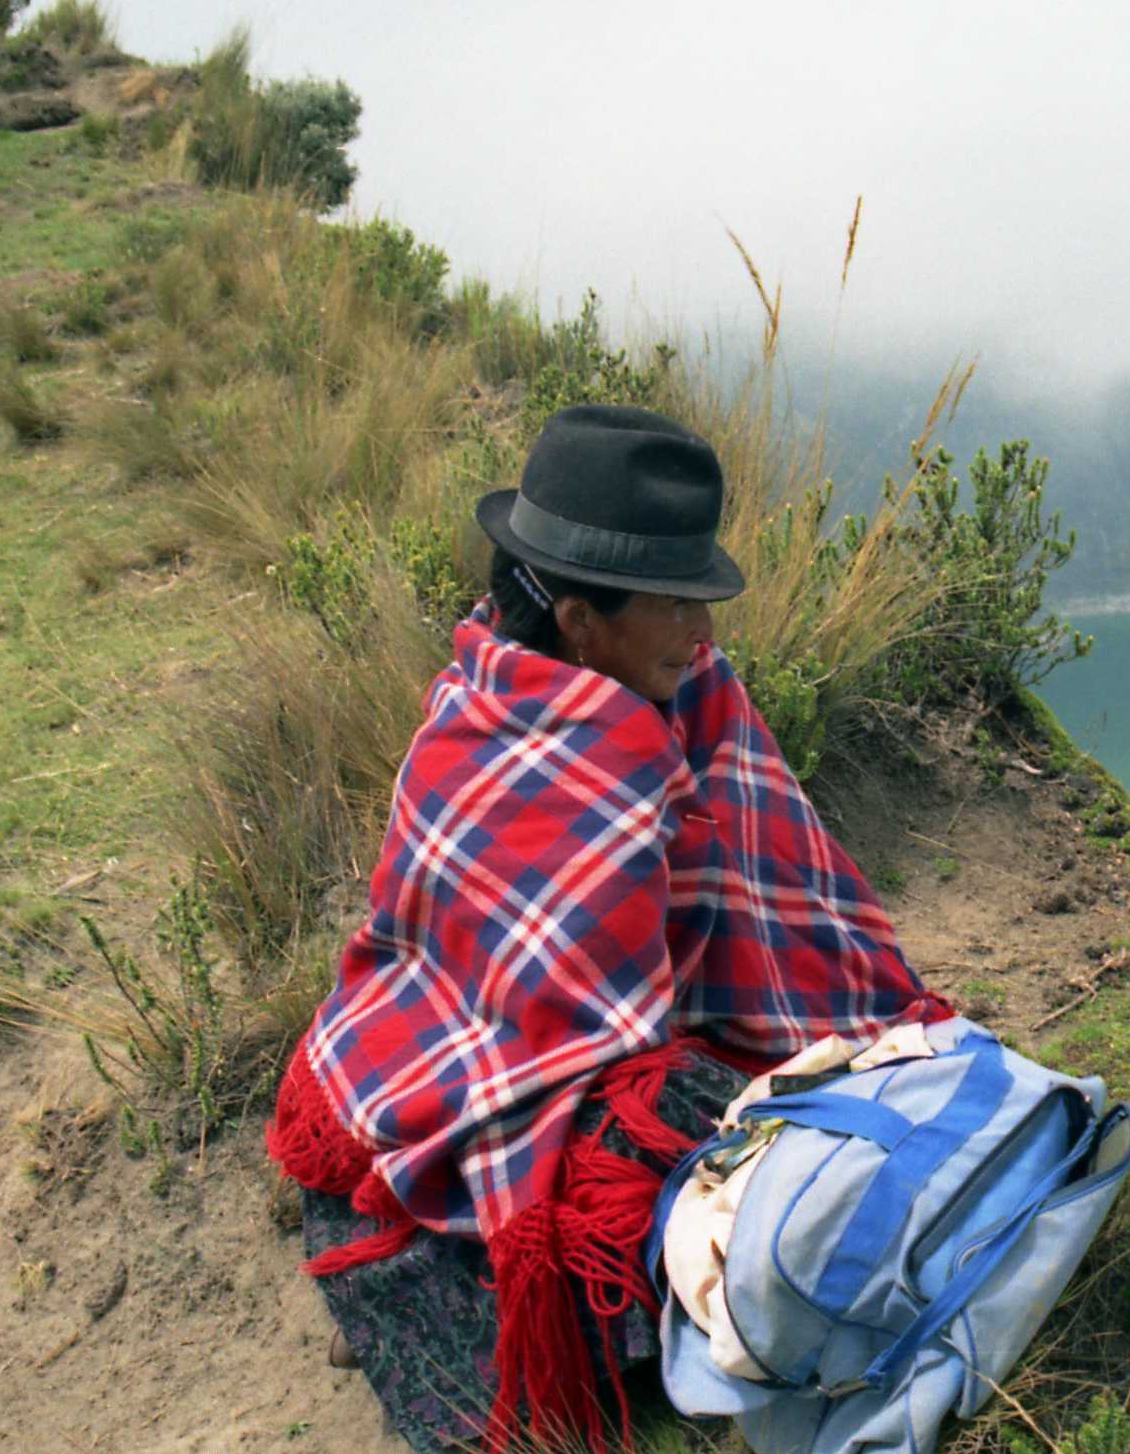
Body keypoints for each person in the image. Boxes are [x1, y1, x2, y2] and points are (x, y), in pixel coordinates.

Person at [267, 404, 950, 1453]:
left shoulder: (684, 694)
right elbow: (514, 997)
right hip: (503, 1067)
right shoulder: (500, 721)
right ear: (580, 621)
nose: (702, 630)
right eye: (674, 602)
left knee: (803, 1143)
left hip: (620, 1030)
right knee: (673, 1198)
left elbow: (761, 873)